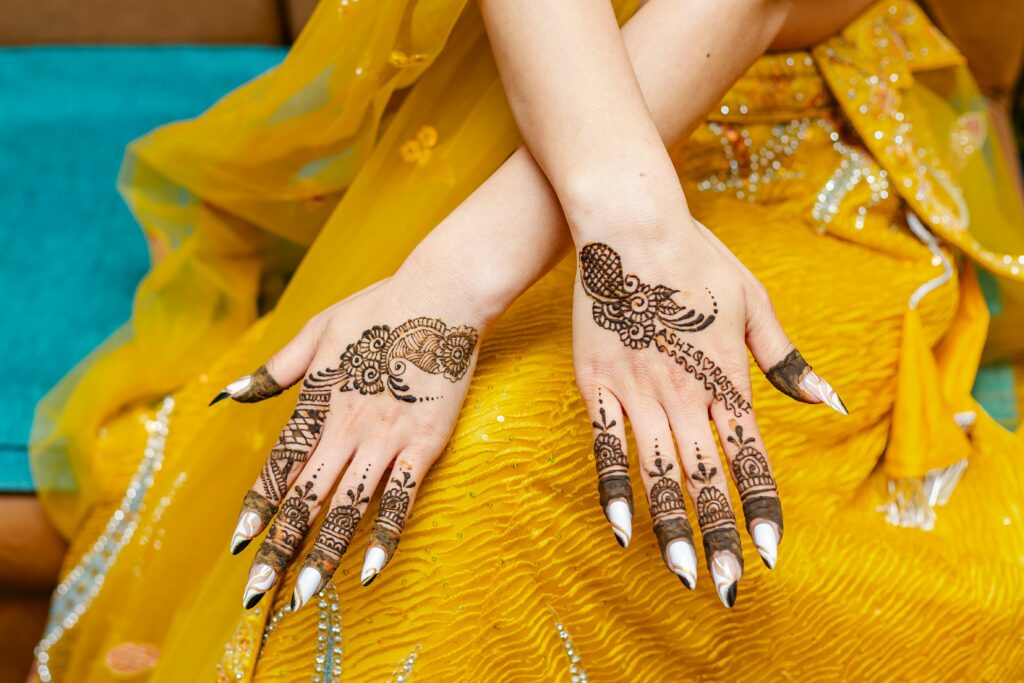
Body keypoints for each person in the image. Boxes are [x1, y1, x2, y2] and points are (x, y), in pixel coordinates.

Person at [26, 0, 1024, 680]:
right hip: (518, 86)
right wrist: (529, 252)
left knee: (557, 468)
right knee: (429, 484)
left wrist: (478, 267)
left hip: (790, 101)